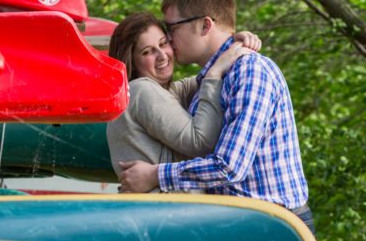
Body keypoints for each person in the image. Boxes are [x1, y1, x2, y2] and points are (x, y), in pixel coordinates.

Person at [118, 0, 314, 235]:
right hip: (242, 223)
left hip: (272, 227)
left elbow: (229, 166)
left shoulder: (251, 72)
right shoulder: (212, 78)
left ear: (204, 25)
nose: (168, 38)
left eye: (171, 28)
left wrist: (157, 175)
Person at [107, 11, 257, 178]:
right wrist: (214, 74)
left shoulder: (167, 92)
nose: (162, 56)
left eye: (163, 44)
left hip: (166, 203)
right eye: (147, 52)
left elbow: (205, 79)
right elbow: (200, 143)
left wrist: (231, 40)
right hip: (163, 203)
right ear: (132, 63)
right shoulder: (140, 91)